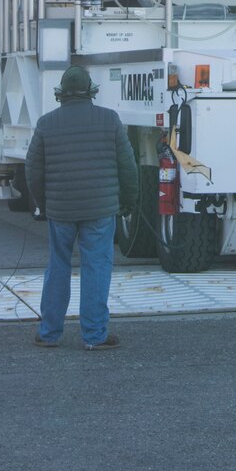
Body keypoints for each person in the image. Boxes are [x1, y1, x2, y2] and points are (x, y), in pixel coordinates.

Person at [25, 65, 138, 350]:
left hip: (61, 209)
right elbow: (128, 166)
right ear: (91, 92)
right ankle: (95, 335)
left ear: (61, 94)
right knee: (96, 267)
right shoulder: (109, 120)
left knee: (58, 266)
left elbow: (33, 171)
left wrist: (43, 204)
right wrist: (128, 200)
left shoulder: (46, 123)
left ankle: (49, 333)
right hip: (100, 209)